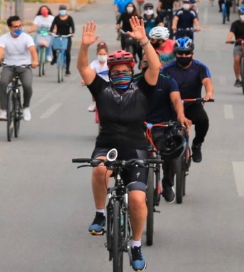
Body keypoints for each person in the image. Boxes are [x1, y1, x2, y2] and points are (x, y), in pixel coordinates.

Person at [78, 18, 161, 271]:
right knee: (99, 169)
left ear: (132, 70)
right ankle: (100, 214)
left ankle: (135, 245)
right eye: (117, 72)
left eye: (126, 71)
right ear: (110, 73)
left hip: (137, 149)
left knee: (137, 200)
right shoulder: (101, 89)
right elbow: (83, 67)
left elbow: (155, 65)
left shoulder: (142, 88)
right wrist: (84, 47)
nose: (122, 75)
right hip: (108, 146)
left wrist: (144, 40)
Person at [134, 57, 190, 203]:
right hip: (139, 128)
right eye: (145, 62)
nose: (148, 65)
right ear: (140, 65)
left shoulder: (168, 80)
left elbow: (177, 100)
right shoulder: (134, 81)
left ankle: (167, 184)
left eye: (151, 61)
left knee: (170, 155)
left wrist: (181, 115)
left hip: (163, 127)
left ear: (159, 65)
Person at [162, 37, 214, 163]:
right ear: (176, 54)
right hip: (172, 106)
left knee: (203, 120)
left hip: (193, 104)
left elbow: (207, 81)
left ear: (192, 53)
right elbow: (160, 85)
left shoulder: (200, 67)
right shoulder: (167, 69)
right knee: (164, 130)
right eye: (180, 53)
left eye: (187, 53)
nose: (184, 56)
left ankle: (197, 144)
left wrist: (209, 93)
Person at [0, 16, 38, 122]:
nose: (18, 28)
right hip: (9, 66)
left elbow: (33, 50)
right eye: (15, 27)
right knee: (3, 83)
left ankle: (26, 107)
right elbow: (0, 49)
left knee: (27, 85)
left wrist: (35, 61)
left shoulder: (26, 37)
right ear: (9, 27)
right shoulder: (4, 38)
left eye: (20, 26)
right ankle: (4, 110)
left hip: (24, 67)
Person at [226, 6, 244, 87]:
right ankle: (237, 79)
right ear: (239, 14)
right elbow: (231, 33)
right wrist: (229, 39)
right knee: (236, 59)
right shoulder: (235, 24)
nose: (243, 15)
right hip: (238, 44)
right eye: (242, 13)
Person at [50, 4, 75, 73]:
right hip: (58, 35)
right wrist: (50, 31)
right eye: (61, 10)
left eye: (63, 10)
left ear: (66, 11)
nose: (62, 11)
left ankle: (67, 69)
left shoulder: (69, 18)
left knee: (67, 52)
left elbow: (72, 26)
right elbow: (52, 25)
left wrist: (73, 33)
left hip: (67, 37)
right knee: (54, 46)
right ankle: (55, 58)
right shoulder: (56, 18)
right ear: (59, 11)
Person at [84, 42, 109, 112]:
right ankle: (93, 104)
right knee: (93, 89)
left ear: (107, 54)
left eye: (104, 54)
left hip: (108, 83)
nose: (102, 56)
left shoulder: (109, 63)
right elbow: (88, 72)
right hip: (97, 83)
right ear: (97, 54)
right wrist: (84, 79)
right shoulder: (94, 63)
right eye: (100, 54)